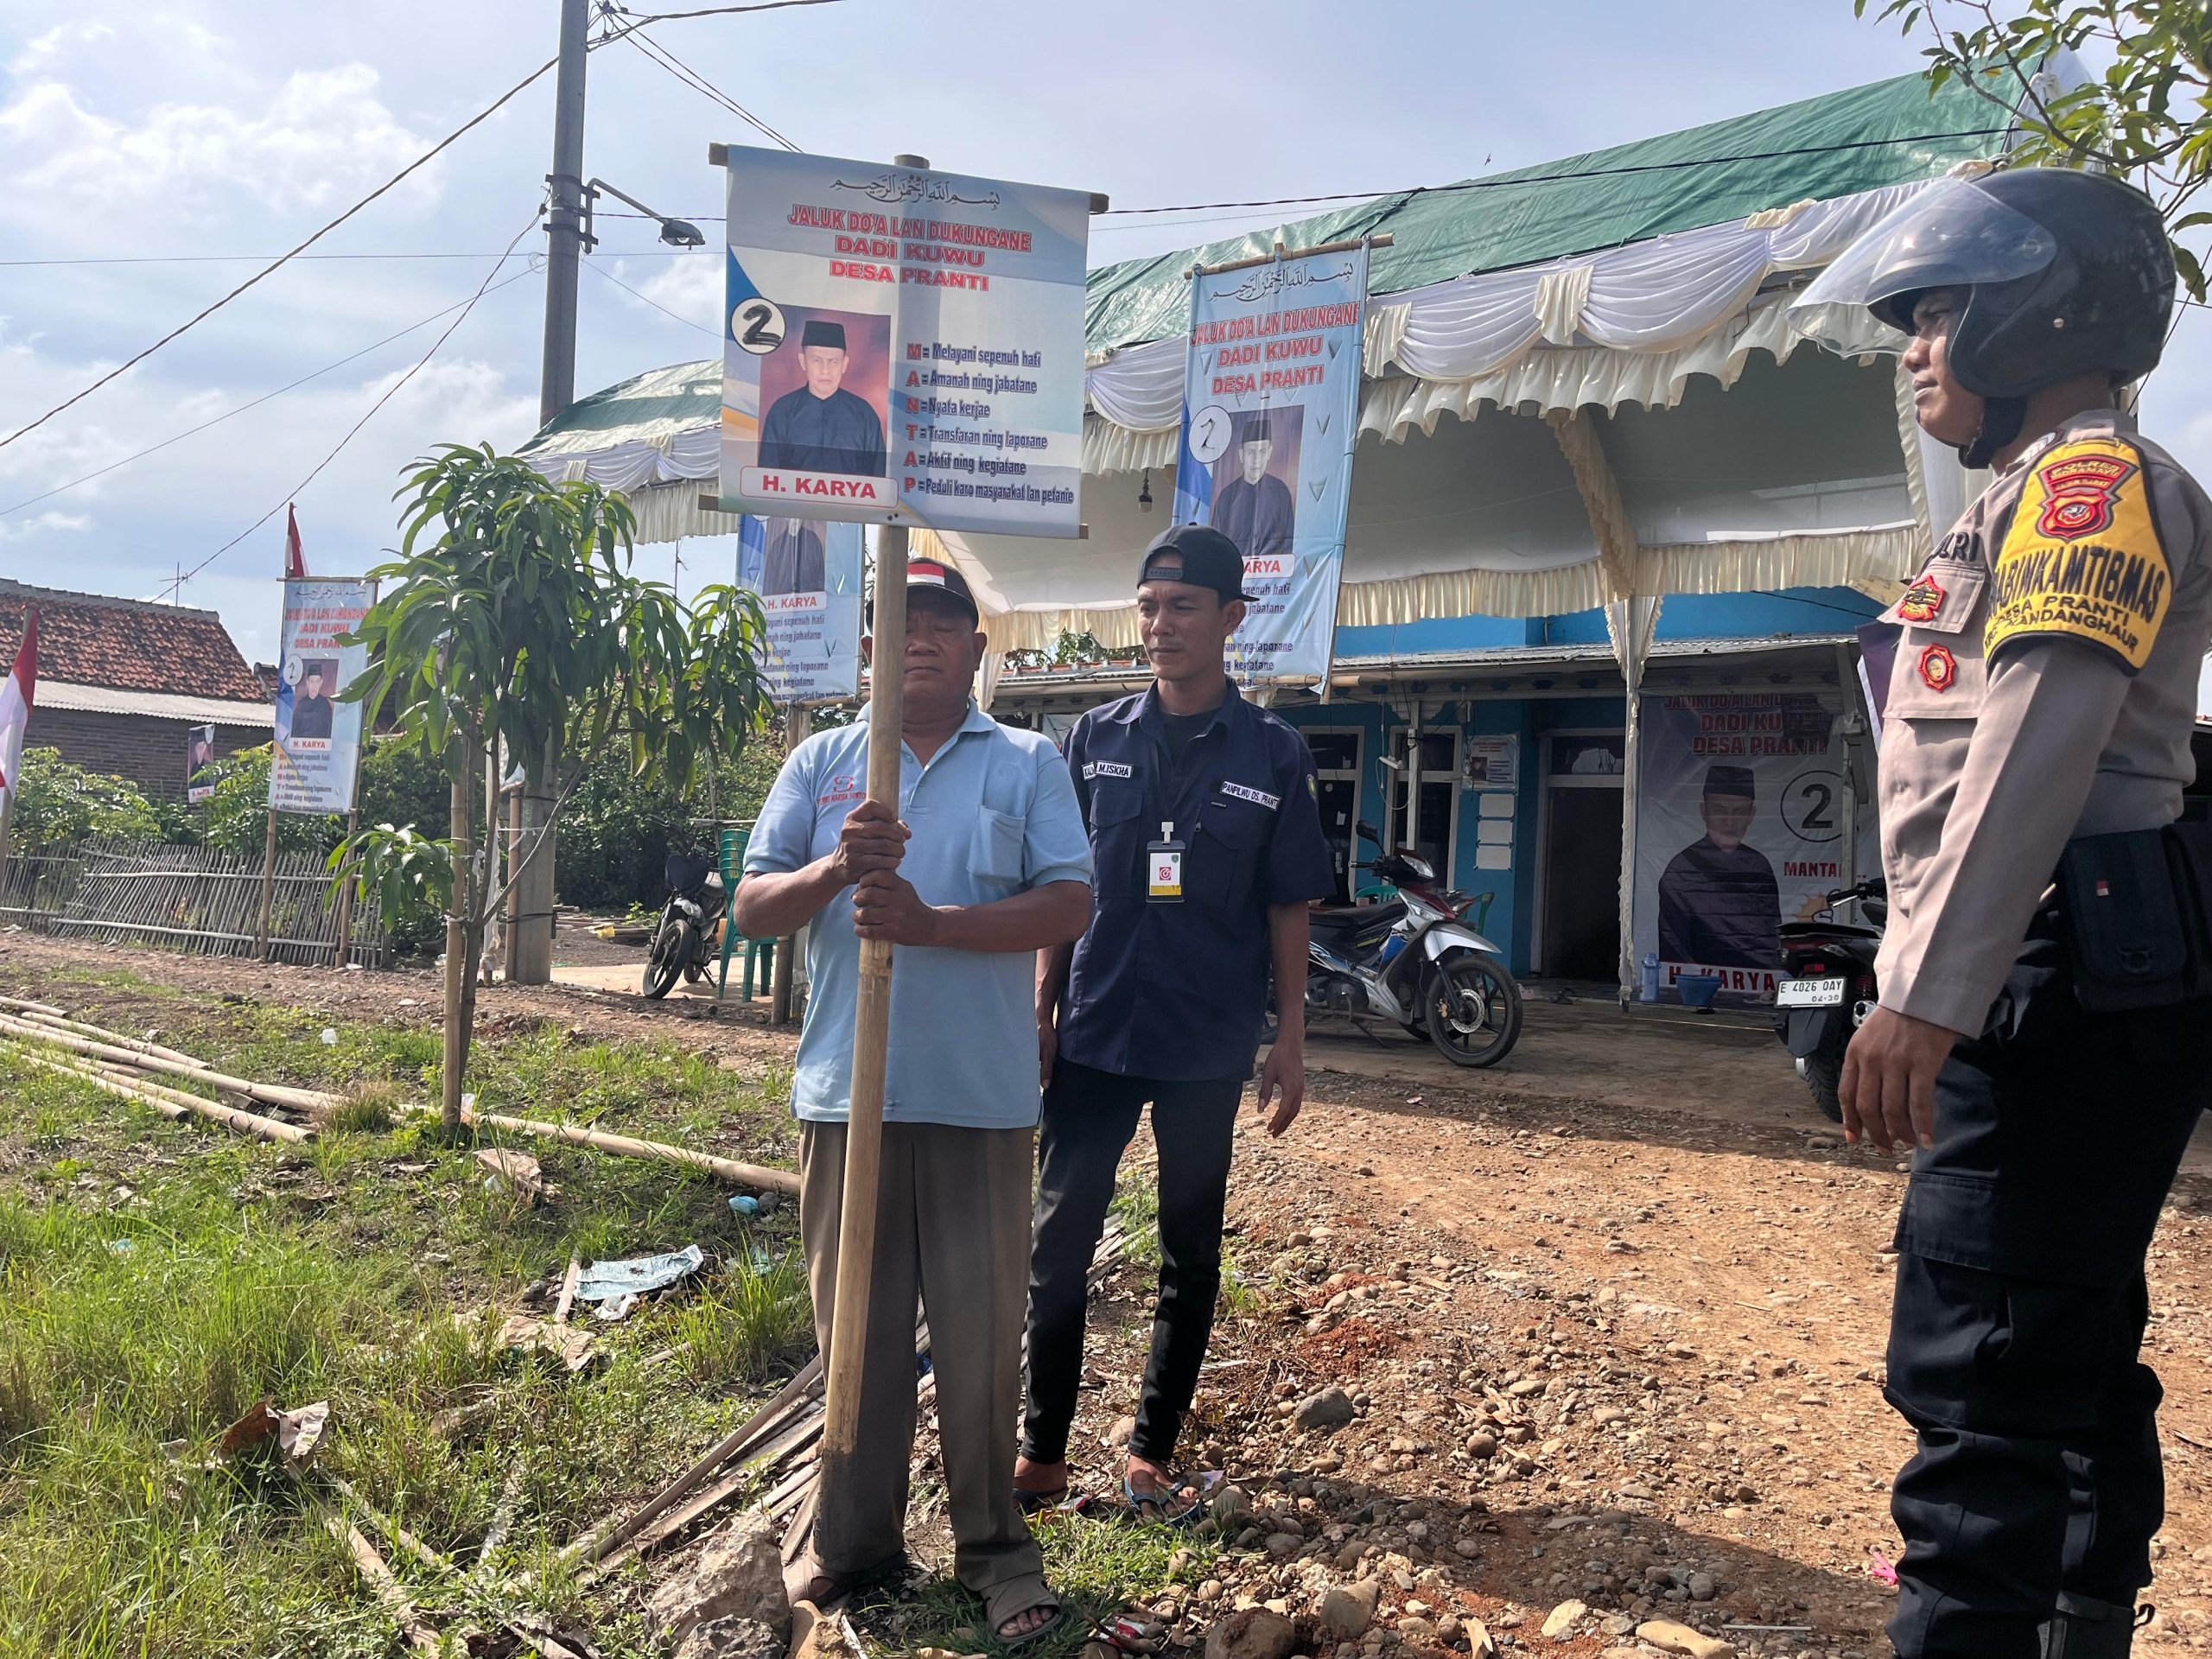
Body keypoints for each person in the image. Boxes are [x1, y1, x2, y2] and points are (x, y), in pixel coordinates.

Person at [1795, 168, 2212, 1656]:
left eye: (1940, 314)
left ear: (2042, 314)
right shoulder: (2020, 498)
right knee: (2068, 1330)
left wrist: (1928, 992)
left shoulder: (2093, 485)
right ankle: (2081, 1622)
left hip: (2047, 969)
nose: (1915, 349)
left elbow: (2042, 736)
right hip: (2059, 959)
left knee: (1985, 1366)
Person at [734, 558, 1092, 1648]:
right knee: (858, 1336)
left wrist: (935, 926)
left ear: (978, 649)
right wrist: (834, 872)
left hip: (980, 1102)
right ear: (869, 648)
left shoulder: (1026, 762)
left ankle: (995, 1551)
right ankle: (854, 1545)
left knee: (981, 1341)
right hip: (848, 1099)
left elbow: (1070, 903)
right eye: (900, 622)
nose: (920, 638)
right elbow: (752, 906)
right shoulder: (821, 762)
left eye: (942, 622)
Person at [1018, 523, 1335, 1521]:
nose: (1160, 625)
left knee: (1188, 1250)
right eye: (1149, 607)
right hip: (1096, 1029)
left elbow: (1288, 904)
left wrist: (1289, 1038)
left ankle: (1150, 1451)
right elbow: (1063, 887)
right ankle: (1041, 1450)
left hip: (1205, 1038)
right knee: (1057, 1241)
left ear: (1230, 617)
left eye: (1182, 607)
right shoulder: (1094, 741)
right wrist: (1041, 1007)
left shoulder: (1273, 754)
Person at [1655, 765, 1780, 970]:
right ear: (1704, 811)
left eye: (1739, 812)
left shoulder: (1759, 866)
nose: (1729, 822)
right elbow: (1673, 945)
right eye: (1720, 810)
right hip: (1699, 982)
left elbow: (1770, 936)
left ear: (1751, 815)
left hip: (1752, 980)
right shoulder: (1682, 868)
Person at [760, 319, 887, 477]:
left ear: (844, 364)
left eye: (833, 362)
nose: (825, 370)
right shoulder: (782, 411)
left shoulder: (864, 414)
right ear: (803, 361)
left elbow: (879, 476)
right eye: (816, 360)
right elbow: (767, 475)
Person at [1209, 416, 1294, 560]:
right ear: (1241, 455)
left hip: (1271, 571)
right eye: (1251, 452)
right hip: (1234, 568)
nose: (1256, 460)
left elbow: (1289, 539)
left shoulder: (1280, 491)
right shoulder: (1227, 496)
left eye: (1262, 452)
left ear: (1269, 453)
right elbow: (1215, 542)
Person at [763, 518, 827, 595]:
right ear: (786, 518)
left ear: (802, 518)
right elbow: (769, 584)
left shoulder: (813, 541)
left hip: (810, 599)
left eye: (797, 516)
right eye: (791, 516)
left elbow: (820, 576)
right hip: (782, 600)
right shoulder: (776, 547)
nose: (794, 520)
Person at [290, 664, 334, 741]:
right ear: (307, 682)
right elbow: (294, 731)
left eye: (317, 682)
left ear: (321, 683)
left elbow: (329, 731)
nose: (314, 686)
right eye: (311, 681)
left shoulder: (325, 705)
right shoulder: (301, 705)